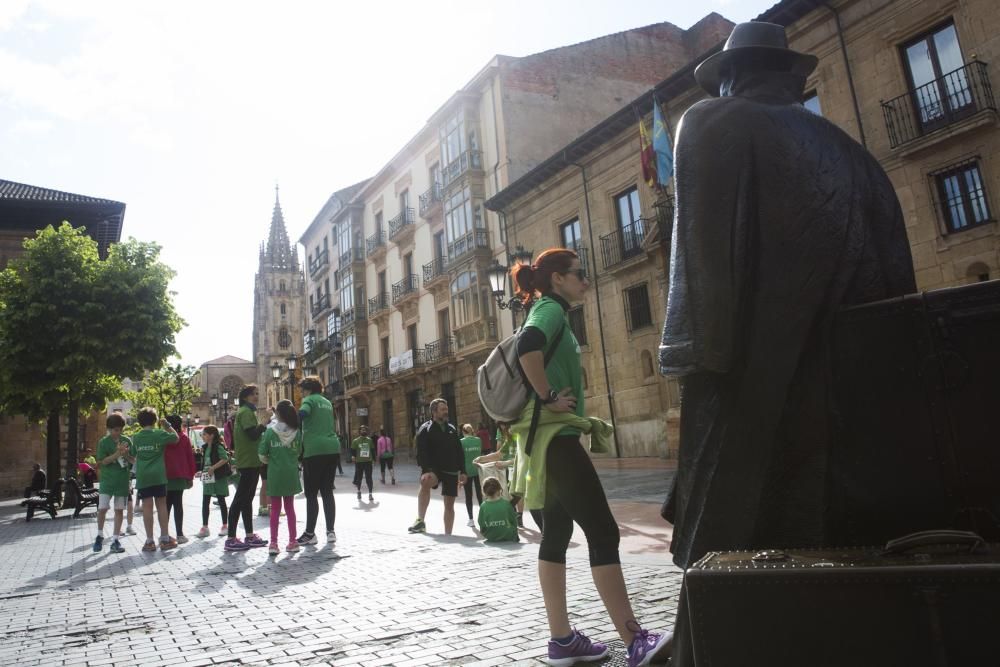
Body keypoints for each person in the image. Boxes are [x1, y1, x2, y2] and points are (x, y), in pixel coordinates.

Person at [659, 23, 917, 667]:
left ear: (732, 75)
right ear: (794, 79)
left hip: (748, 381)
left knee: (719, 545)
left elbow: (702, 259)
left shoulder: (711, 122)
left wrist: (689, 358)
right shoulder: (859, 157)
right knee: (829, 537)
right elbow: (900, 302)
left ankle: (697, 648)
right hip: (856, 407)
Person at [509, 248, 670, 666]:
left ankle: (562, 641)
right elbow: (528, 345)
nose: (586, 279)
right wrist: (547, 396)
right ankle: (635, 640)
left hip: (544, 442)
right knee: (603, 533)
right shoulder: (550, 310)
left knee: (557, 538)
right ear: (558, 279)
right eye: (579, 273)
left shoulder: (547, 308)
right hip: (557, 440)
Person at [408, 399, 467, 535]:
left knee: (449, 505)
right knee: (425, 481)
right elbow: (421, 452)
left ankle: (448, 534)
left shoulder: (452, 429)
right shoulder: (425, 429)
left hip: (451, 470)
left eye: (446, 409)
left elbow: (459, 451)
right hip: (434, 469)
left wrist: (463, 471)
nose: (446, 412)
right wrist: (425, 470)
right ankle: (420, 521)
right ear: (434, 412)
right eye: (443, 409)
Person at [295, 376, 340, 546]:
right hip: (332, 448)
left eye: (302, 390)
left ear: (307, 389)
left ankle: (310, 533)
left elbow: (303, 413)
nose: (301, 394)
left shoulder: (309, 400)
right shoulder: (327, 402)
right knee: (327, 492)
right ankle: (330, 532)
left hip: (314, 450)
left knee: (311, 493)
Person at [224, 385, 269, 552]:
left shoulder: (246, 412)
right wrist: (264, 423)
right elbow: (253, 434)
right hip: (248, 460)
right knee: (239, 500)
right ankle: (230, 538)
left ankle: (249, 535)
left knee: (247, 498)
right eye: (253, 394)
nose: (256, 396)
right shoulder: (245, 412)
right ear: (245, 397)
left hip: (252, 460)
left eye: (257, 393)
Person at [129, 407, 180, 553]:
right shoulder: (160, 434)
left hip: (143, 476)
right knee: (162, 505)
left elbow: (132, 457)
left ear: (139, 422)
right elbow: (176, 438)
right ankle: (164, 538)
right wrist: (168, 426)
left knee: (147, 507)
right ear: (155, 420)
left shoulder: (136, 437)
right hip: (158, 475)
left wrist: (124, 454)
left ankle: (149, 541)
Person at [258, 400, 303, 555]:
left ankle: (274, 543)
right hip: (291, 473)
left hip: (275, 474)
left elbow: (262, 454)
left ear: (277, 414)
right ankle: (293, 541)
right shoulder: (297, 432)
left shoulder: (270, 432)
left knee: (275, 509)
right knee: (290, 508)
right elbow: (299, 452)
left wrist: (271, 460)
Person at [93, 414, 133, 553]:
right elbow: (102, 462)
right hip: (107, 481)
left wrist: (126, 455)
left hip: (122, 481)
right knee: (103, 508)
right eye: (115, 430)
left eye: (120, 429)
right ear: (109, 429)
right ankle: (99, 535)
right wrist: (117, 454)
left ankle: (115, 540)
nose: (118, 432)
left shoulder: (127, 440)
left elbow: (133, 460)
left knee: (119, 510)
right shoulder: (103, 442)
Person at [164, 415, 197, 544]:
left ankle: (164, 534)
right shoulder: (184, 438)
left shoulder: (164, 438)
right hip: (180, 475)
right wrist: (190, 476)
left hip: (165, 476)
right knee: (178, 505)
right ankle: (180, 534)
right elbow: (190, 457)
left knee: (165, 506)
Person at [196, 426, 231, 538]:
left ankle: (225, 526)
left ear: (211, 435)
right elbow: (205, 463)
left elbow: (225, 458)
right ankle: (205, 527)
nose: (203, 436)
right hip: (208, 478)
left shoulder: (218, 446)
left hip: (219, 477)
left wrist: (213, 468)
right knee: (205, 501)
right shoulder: (205, 447)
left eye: (204, 434)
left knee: (221, 500)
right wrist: (201, 472)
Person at [477, 477, 518, 543]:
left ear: (484, 491)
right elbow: (513, 521)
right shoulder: (506, 504)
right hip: (508, 535)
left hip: (490, 536)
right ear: (499, 489)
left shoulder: (483, 506)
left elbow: (481, 523)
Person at [460, 424, 483, 528]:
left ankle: (471, 519)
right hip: (478, 469)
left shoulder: (462, 442)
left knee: (468, 495)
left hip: (466, 472)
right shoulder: (478, 440)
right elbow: (480, 453)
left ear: (463, 432)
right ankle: (483, 517)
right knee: (480, 495)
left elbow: (460, 457)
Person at [351, 425, 375, 502]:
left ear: (366, 431)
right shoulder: (355, 441)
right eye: (362, 430)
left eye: (365, 430)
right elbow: (353, 451)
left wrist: (374, 459)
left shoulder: (369, 440)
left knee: (369, 478)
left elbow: (372, 450)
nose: (363, 431)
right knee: (359, 478)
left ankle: (370, 494)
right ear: (359, 431)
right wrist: (353, 456)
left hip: (368, 462)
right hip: (359, 462)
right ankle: (358, 491)